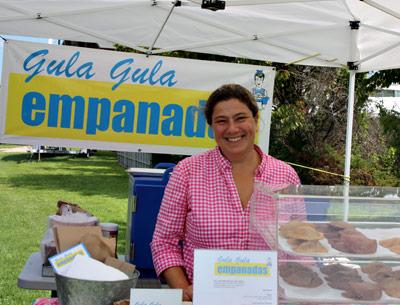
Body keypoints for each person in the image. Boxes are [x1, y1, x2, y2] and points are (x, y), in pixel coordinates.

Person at [151, 84, 301, 301]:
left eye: (240, 118)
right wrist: (184, 291)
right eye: (222, 121)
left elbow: (300, 247)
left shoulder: (286, 176)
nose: (232, 129)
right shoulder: (187, 172)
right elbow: (164, 242)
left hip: (270, 300)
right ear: (212, 128)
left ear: (256, 121)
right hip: (205, 300)